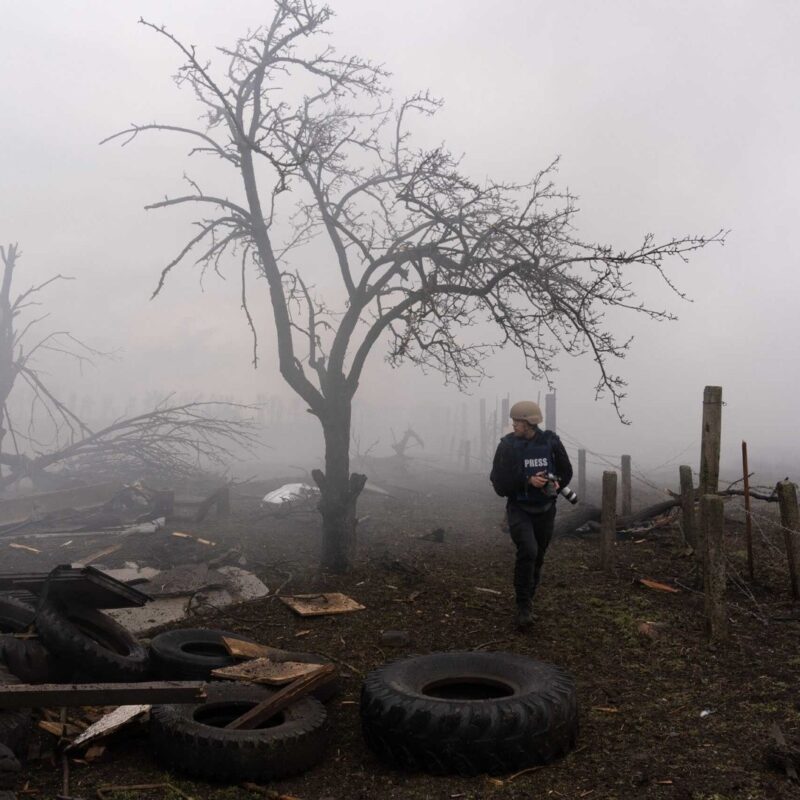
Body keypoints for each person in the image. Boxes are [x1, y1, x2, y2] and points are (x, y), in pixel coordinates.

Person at [489, 400, 573, 630]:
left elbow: (566, 471)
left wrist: (556, 483)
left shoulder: (551, 442)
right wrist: (526, 480)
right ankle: (523, 606)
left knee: (538, 557)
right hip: (519, 509)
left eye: (518, 421)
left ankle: (529, 597)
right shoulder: (507, 446)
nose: (514, 425)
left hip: (546, 509)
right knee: (528, 550)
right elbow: (498, 482)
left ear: (531, 423)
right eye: (514, 421)